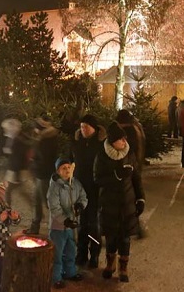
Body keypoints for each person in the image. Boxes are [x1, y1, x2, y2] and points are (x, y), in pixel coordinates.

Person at [94, 122, 145, 283]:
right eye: (121, 139)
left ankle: (123, 267)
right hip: (109, 203)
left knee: (125, 238)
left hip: (127, 202)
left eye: (124, 139)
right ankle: (110, 264)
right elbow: (97, 179)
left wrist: (140, 198)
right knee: (111, 237)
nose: (124, 142)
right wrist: (116, 175)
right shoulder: (102, 155)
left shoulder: (129, 153)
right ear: (113, 141)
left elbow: (136, 178)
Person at [70, 114, 106, 268]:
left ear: (94, 128)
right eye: (81, 126)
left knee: (94, 225)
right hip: (79, 189)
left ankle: (95, 255)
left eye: (86, 127)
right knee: (81, 224)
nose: (83, 129)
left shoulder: (101, 144)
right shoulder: (76, 143)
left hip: (94, 190)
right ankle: (81, 254)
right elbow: (68, 161)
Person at [47, 157, 87, 289]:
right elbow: (54, 207)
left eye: (69, 167)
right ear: (58, 171)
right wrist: (65, 220)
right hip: (58, 226)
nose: (67, 170)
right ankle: (56, 277)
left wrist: (80, 205)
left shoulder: (75, 184)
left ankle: (70, 272)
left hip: (72, 225)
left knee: (71, 249)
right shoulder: (55, 187)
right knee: (57, 252)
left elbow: (83, 196)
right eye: (63, 168)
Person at [25, 115, 59, 235]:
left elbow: (45, 159)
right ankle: (35, 227)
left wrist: (34, 162)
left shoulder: (48, 139)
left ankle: (57, 228)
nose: (35, 130)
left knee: (47, 202)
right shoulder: (42, 138)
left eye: (36, 128)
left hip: (44, 174)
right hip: (39, 173)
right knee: (37, 201)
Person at [4, 122, 34, 208]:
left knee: (9, 190)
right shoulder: (18, 139)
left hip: (17, 171)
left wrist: (16, 175)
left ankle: (7, 209)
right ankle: (35, 208)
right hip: (18, 170)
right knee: (21, 191)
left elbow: (17, 159)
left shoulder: (17, 141)